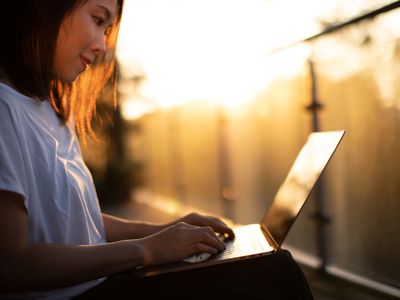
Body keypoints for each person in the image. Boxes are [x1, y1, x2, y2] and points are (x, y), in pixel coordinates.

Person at [0, 0, 314, 299]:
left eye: (107, 30)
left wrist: (164, 230)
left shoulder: (51, 110)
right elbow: (11, 264)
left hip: (100, 283)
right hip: (75, 294)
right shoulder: (4, 110)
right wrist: (146, 249)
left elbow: (78, 222)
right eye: (97, 20)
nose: (102, 45)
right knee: (271, 272)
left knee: (267, 263)